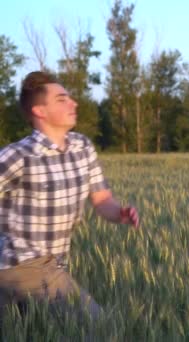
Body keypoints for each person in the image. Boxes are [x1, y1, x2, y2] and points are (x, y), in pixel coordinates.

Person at [0, 71, 139, 322]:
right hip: (23, 263)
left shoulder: (82, 147)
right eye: (62, 99)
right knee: (98, 326)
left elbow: (101, 199)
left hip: (51, 264)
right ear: (40, 111)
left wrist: (120, 213)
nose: (73, 103)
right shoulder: (19, 155)